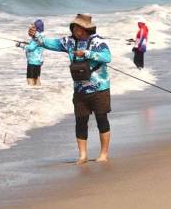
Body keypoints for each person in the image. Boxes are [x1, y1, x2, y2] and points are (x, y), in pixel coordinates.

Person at [30, 14, 112, 164]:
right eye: (73, 26)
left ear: (85, 28)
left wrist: (86, 53)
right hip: (80, 90)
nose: (74, 29)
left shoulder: (98, 41)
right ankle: (82, 155)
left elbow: (107, 57)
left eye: (77, 27)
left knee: (102, 119)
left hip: (100, 88)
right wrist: (35, 35)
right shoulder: (68, 42)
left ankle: (104, 154)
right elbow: (48, 43)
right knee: (80, 121)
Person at [19, 19, 45, 86]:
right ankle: (38, 92)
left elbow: (31, 47)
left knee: (30, 79)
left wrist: (20, 45)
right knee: (37, 78)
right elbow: (35, 45)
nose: (32, 28)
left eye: (34, 27)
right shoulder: (41, 36)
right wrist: (27, 43)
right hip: (39, 61)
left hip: (33, 61)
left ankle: (32, 94)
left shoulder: (36, 37)